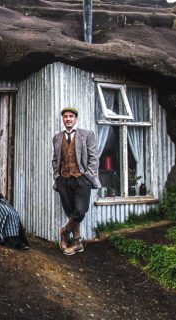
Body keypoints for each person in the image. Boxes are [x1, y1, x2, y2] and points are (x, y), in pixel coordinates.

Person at [52, 107, 101, 255]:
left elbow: (94, 158)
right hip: (63, 179)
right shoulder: (57, 138)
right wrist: (57, 176)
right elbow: (55, 159)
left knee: (80, 210)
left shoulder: (87, 135)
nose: (68, 119)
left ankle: (64, 232)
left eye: (71, 116)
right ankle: (78, 242)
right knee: (71, 211)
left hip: (82, 179)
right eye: (65, 117)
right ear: (63, 119)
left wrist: (88, 176)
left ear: (76, 119)